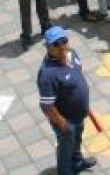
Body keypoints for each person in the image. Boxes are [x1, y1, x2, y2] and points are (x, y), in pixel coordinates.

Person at [37, 26, 97, 175]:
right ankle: (65, 171)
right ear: (47, 47)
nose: (61, 46)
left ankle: (77, 162)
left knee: (77, 140)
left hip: (79, 114)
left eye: (63, 41)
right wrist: (62, 123)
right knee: (65, 147)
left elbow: (79, 74)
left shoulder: (72, 53)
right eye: (56, 44)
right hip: (66, 120)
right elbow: (46, 105)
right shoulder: (47, 74)